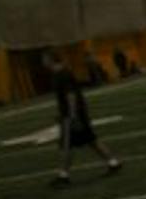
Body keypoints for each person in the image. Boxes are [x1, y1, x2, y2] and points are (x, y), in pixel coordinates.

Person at [44, 51, 123, 184]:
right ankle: (113, 162)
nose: (43, 62)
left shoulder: (63, 74)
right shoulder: (59, 74)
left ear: (50, 59)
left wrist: (72, 115)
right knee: (91, 140)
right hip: (73, 114)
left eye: (44, 59)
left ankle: (63, 175)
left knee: (66, 145)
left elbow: (71, 95)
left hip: (72, 115)